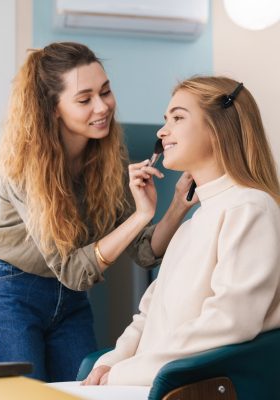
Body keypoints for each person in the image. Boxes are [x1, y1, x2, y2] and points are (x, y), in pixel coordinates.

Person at [0, 41, 196, 382]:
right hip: (14, 291)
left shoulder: (109, 157)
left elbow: (144, 251)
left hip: (71, 299)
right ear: (52, 108)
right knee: (21, 393)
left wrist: (176, 205)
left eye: (106, 91)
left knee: (84, 389)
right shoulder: (24, 168)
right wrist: (139, 217)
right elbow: (72, 269)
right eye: (84, 99)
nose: (102, 107)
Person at [83, 76, 280, 386]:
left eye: (177, 117)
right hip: (152, 384)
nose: (162, 131)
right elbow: (147, 316)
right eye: (165, 119)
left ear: (217, 129)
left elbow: (229, 321)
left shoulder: (250, 208)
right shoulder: (190, 227)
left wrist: (125, 374)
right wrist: (109, 364)